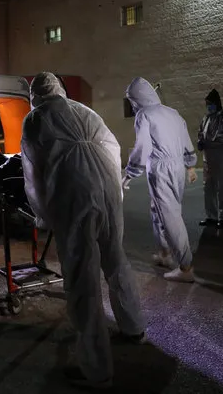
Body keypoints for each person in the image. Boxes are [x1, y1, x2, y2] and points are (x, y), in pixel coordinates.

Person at [21, 72, 145, 389]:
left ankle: (97, 369)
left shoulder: (36, 119)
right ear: (60, 91)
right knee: (116, 260)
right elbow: (112, 148)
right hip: (107, 192)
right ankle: (134, 327)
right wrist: (114, 192)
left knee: (81, 278)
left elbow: (33, 172)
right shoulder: (87, 112)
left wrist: (42, 215)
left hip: (74, 198)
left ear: (35, 95)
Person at [122, 77, 198, 283]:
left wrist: (129, 173)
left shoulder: (144, 115)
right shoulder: (172, 113)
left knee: (170, 215)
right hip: (178, 167)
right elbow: (185, 139)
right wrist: (190, 164)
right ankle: (165, 253)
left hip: (161, 168)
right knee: (160, 210)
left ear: (136, 99)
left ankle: (186, 266)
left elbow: (142, 148)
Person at [197, 89, 223, 230]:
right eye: (207, 104)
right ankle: (211, 217)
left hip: (222, 156)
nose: (208, 106)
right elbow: (201, 133)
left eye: (211, 104)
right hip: (208, 157)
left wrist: (221, 144)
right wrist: (200, 142)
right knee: (208, 188)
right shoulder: (206, 118)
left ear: (217, 103)